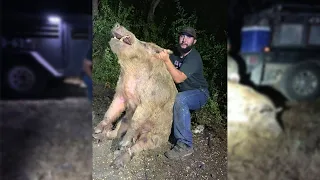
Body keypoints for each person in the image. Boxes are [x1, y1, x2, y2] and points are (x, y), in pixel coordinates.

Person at [156, 27, 210, 160]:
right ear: (179, 37)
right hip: (182, 91)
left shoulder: (193, 57)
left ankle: (185, 145)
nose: (184, 39)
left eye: (189, 37)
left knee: (180, 99)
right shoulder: (174, 52)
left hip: (199, 93)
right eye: (182, 36)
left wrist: (166, 60)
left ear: (194, 41)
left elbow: (178, 78)